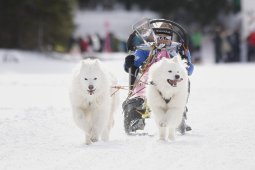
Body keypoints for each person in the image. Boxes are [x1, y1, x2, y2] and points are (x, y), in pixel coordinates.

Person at [122, 21, 194, 134]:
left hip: (172, 81)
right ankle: (135, 118)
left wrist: (186, 65)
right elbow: (134, 64)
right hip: (150, 79)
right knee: (140, 90)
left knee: (183, 82)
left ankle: (178, 119)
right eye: (160, 37)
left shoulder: (178, 49)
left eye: (166, 37)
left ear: (171, 37)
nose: (163, 40)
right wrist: (130, 63)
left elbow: (188, 70)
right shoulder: (147, 48)